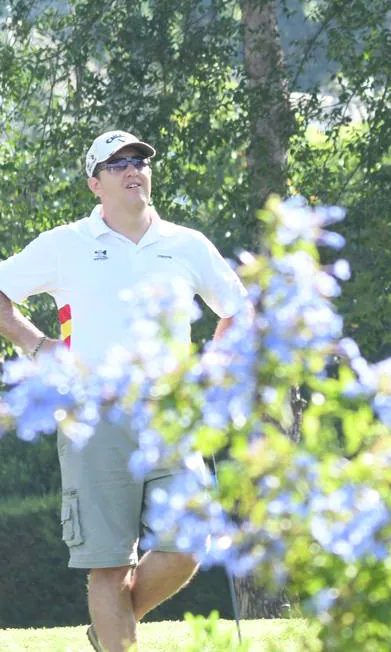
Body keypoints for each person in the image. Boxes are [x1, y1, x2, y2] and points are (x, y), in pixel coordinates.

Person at [0, 130, 248, 652]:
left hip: (170, 417)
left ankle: (110, 626)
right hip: (94, 418)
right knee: (108, 567)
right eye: (117, 165)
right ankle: (115, 632)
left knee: (189, 544)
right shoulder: (64, 244)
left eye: (139, 160)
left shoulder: (187, 243)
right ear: (95, 183)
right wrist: (38, 345)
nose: (133, 169)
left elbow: (239, 310)